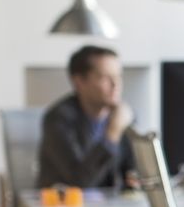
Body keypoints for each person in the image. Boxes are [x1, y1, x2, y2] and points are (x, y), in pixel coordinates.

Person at [38, 45, 136, 188]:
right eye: (105, 77)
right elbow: (79, 182)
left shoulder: (123, 115)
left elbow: (130, 174)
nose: (115, 84)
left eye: (118, 76)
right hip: (65, 206)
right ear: (79, 82)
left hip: (110, 206)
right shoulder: (58, 119)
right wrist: (112, 132)